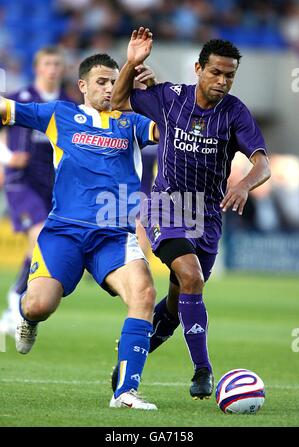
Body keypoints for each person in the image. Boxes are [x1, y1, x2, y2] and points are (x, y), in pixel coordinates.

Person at [110, 27, 271, 400]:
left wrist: (244, 184)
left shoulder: (234, 113)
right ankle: (203, 369)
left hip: (207, 218)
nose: (222, 81)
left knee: (176, 299)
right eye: (216, 72)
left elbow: (262, 163)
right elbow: (118, 101)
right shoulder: (170, 98)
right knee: (191, 276)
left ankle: (133, 355)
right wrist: (132, 63)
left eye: (230, 75)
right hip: (163, 206)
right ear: (198, 69)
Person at [0, 53, 160, 410]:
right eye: (101, 82)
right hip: (64, 232)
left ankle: (125, 392)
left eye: (115, 81)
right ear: (83, 86)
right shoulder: (60, 114)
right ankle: (27, 318)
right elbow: (7, 108)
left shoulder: (133, 121)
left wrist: (154, 95)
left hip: (114, 236)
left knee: (144, 293)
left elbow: (170, 128)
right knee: (40, 304)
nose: (108, 88)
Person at [0, 47, 70, 336]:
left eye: (56, 64)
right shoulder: (18, 98)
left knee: (44, 243)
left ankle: (14, 303)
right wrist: (5, 157)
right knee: (40, 234)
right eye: (47, 64)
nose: (52, 69)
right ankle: (17, 299)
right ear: (37, 67)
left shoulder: (68, 104)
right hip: (22, 180)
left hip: (53, 184)